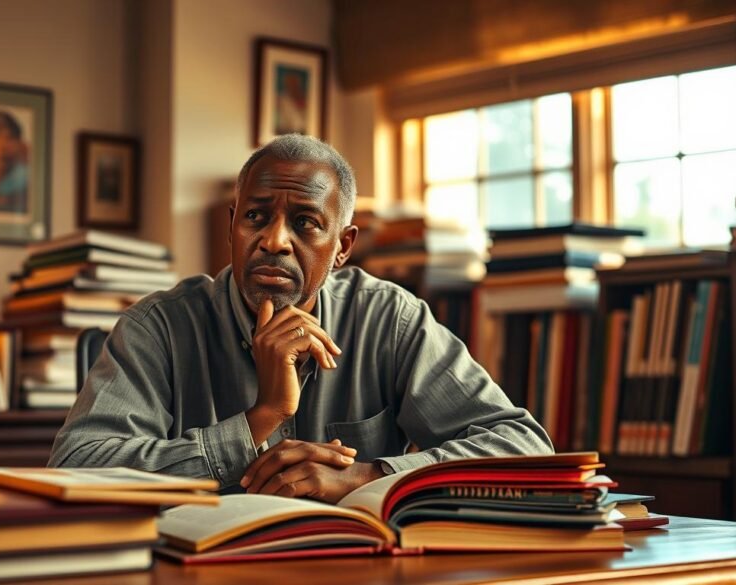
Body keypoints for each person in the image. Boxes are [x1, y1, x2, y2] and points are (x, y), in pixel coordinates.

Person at [48, 134, 552, 504]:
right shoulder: (158, 326)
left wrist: (367, 474)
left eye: (306, 223)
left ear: (342, 249)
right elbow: (74, 467)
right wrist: (258, 418)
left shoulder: (389, 320)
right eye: (256, 217)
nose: (274, 241)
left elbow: (526, 449)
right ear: (232, 227)